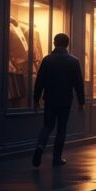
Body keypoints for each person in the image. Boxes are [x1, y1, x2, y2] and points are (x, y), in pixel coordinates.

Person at [31, 33, 85, 167]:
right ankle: (57, 158)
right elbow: (79, 83)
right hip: (65, 100)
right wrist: (81, 102)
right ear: (67, 44)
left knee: (47, 126)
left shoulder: (47, 60)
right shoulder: (73, 61)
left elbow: (40, 81)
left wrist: (36, 99)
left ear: (54, 43)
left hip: (50, 98)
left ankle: (40, 146)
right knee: (61, 129)